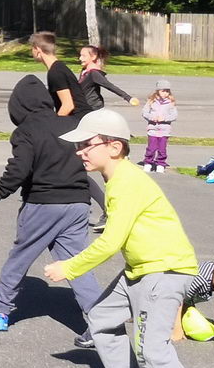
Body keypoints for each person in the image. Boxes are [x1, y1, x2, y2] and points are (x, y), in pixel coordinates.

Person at [42, 108, 214, 368]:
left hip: (163, 272)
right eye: (78, 145)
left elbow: (110, 242)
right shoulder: (117, 180)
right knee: (101, 318)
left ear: (114, 147)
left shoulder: (127, 182)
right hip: (140, 269)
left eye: (87, 144)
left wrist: (70, 267)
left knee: (152, 351)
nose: (80, 151)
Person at [0, 76, 102, 336]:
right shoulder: (72, 124)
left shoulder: (27, 130)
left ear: (18, 107)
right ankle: (100, 323)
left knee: (20, 257)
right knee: (76, 263)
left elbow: (19, 169)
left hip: (43, 204)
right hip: (78, 204)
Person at [76, 45, 135, 228]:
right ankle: (107, 210)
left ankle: (110, 211)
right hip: (85, 120)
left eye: (83, 55)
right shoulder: (84, 73)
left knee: (100, 167)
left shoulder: (94, 74)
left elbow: (110, 86)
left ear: (93, 57)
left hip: (95, 119)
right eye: (80, 55)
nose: (80, 58)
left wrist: (128, 97)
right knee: (85, 166)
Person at [30, 31, 80, 117]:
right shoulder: (58, 68)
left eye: (32, 48)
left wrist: (54, 122)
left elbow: (68, 105)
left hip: (79, 120)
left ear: (37, 49)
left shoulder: (56, 72)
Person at [141, 79, 177, 172]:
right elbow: (144, 113)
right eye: (163, 91)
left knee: (162, 149)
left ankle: (160, 163)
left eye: (167, 91)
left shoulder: (170, 103)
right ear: (158, 91)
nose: (165, 93)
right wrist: (152, 117)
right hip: (153, 129)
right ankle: (148, 162)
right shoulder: (151, 101)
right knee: (151, 148)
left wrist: (164, 118)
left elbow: (174, 116)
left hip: (164, 130)